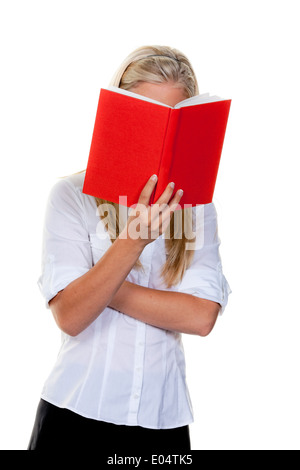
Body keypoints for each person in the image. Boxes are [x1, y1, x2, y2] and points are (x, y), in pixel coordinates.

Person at [28, 45, 231, 452]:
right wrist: (132, 241)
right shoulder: (71, 196)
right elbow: (70, 315)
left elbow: (201, 316)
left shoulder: (196, 208)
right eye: (146, 120)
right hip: (74, 415)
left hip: (164, 421)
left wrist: (101, 288)